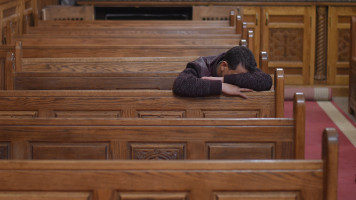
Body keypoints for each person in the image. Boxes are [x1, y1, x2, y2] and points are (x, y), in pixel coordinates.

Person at [172, 46, 272, 98]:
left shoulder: (243, 65)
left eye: (244, 76)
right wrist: (221, 86)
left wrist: (224, 79)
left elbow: (267, 80)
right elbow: (180, 84)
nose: (243, 79)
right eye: (239, 76)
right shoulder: (200, 66)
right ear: (224, 66)